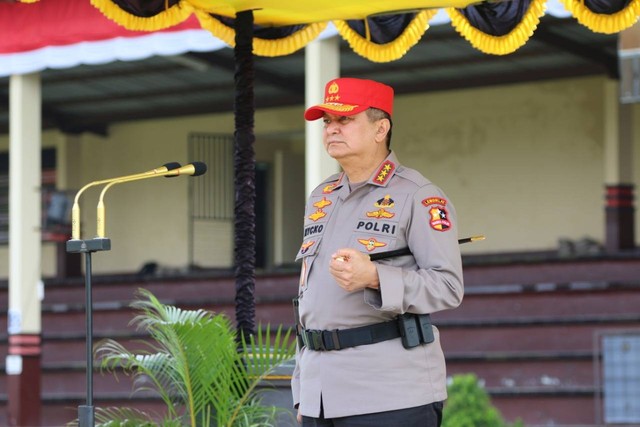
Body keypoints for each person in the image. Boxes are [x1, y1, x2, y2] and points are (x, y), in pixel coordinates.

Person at [291, 77, 464, 427]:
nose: (331, 130)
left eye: (345, 120)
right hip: (320, 394)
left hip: (388, 393)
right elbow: (309, 297)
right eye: (327, 122)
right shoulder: (321, 197)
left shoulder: (418, 195)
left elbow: (448, 286)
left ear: (380, 128)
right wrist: (303, 390)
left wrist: (375, 277)